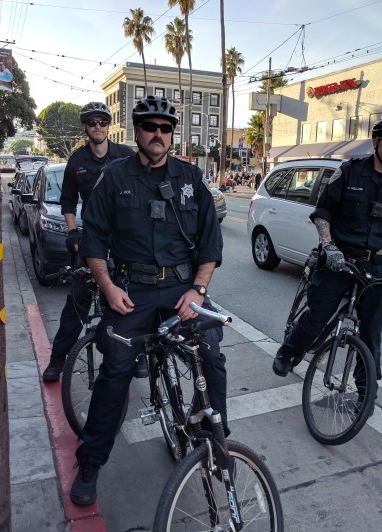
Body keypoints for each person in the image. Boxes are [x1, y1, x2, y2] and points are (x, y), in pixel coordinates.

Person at [70, 95, 227, 506]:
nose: (158, 134)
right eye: (150, 127)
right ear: (137, 131)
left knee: (210, 355)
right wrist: (107, 287)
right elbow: (94, 239)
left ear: (172, 134)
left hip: (181, 291)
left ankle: (208, 432)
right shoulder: (115, 177)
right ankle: (90, 461)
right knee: (115, 371)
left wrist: (198, 291)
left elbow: (210, 244)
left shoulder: (192, 178)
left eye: (165, 128)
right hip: (131, 291)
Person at [272, 114, 382, 392]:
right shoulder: (349, 172)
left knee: (371, 331)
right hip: (340, 260)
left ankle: (365, 389)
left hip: (381, 267)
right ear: (376, 142)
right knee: (318, 316)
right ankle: (288, 351)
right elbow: (324, 212)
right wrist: (328, 246)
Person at [41, 102, 134, 381]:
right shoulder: (77, 160)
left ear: (108, 126)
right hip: (92, 237)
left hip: (124, 238)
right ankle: (58, 359)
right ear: (85, 126)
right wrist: (72, 233)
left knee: (131, 298)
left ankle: (136, 355)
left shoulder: (124, 154)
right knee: (77, 301)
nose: (98, 127)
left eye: (102, 122)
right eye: (92, 122)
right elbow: (68, 201)